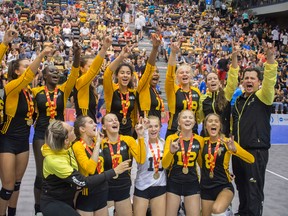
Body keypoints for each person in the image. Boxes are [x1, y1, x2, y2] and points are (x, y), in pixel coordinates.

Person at [0, 41, 53, 216]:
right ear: (16, 71)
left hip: (23, 142)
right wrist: (41, 55)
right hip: (7, 140)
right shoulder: (12, 87)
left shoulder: (29, 92)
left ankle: (12, 214)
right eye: (25, 66)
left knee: (16, 183)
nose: (29, 69)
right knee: (7, 187)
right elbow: (27, 76)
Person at [40, 120, 131, 216]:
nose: (73, 129)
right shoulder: (55, 161)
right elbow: (84, 182)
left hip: (68, 198)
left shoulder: (66, 145)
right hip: (54, 202)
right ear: (66, 140)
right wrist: (114, 171)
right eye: (71, 130)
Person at [31, 43, 81, 215]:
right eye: (51, 72)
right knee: (41, 174)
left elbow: (74, 74)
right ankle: (38, 208)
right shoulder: (35, 91)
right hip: (41, 135)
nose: (56, 74)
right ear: (44, 75)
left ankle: (64, 204)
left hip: (61, 135)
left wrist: (77, 54)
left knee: (65, 171)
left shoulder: (64, 91)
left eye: (58, 72)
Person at [232, 41, 278, 216]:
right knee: (242, 188)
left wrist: (270, 57)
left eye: (253, 78)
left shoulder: (263, 97)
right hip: (238, 152)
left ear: (259, 82)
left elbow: (271, 79)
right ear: (242, 81)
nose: (249, 80)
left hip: (255, 152)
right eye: (246, 78)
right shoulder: (239, 100)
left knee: (253, 192)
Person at [103, 34, 161, 135]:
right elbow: (107, 74)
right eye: (122, 73)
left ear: (131, 76)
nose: (125, 75)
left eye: (128, 73)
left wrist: (155, 48)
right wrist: (121, 56)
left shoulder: (134, 92)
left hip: (129, 132)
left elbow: (148, 70)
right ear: (117, 75)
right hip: (112, 132)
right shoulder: (111, 90)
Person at [199, 113, 255, 216]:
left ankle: (228, 213)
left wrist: (235, 150)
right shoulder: (202, 142)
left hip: (223, 186)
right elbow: (200, 163)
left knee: (216, 210)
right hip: (206, 188)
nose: (213, 123)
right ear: (205, 126)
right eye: (210, 121)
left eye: (216, 121)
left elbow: (251, 159)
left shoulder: (227, 142)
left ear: (220, 125)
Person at [100, 113, 146, 216]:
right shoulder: (100, 143)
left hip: (123, 189)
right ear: (103, 126)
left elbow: (141, 160)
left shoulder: (128, 140)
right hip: (106, 189)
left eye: (116, 119)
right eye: (110, 120)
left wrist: (140, 136)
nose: (114, 121)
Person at [162, 110, 203, 216]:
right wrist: (171, 152)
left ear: (194, 122)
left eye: (190, 117)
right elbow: (165, 165)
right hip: (174, 183)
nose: (188, 120)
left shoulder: (199, 140)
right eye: (184, 117)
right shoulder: (171, 139)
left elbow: (203, 164)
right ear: (179, 122)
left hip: (192, 183)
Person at [198, 44, 239, 136]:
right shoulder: (202, 99)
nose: (212, 80)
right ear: (206, 84)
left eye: (214, 78)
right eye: (209, 79)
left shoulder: (226, 94)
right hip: (206, 136)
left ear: (219, 82)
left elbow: (232, 79)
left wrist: (234, 57)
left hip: (223, 137)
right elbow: (199, 117)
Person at [165, 42, 201, 138]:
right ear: (177, 77)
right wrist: (173, 53)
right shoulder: (173, 89)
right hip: (174, 130)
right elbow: (169, 75)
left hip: (193, 131)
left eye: (187, 72)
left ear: (191, 75)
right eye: (181, 73)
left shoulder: (197, 91)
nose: (184, 74)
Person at [74, 36, 112, 123]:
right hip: (83, 125)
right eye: (89, 66)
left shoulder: (91, 85)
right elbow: (93, 70)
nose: (92, 69)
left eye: (92, 66)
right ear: (82, 69)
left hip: (91, 124)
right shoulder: (80, 82)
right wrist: (104, 48)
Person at [133, 116, 166, 216]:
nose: (153, 129)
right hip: (142, 186)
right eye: (150, 126)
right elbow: (140, 160)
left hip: (159, 186)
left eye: (156, 126)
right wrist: (143, 134)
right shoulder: (138, 142)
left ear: (160, 127)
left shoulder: (163, 143)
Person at [137, 34, 163, 120]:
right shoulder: (143, 86)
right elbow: (149, 67)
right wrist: (155, 48)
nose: (156, 74)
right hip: (145, 128)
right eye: (153, 72)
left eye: (157, 72)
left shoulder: (154, 90)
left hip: (155, 128)